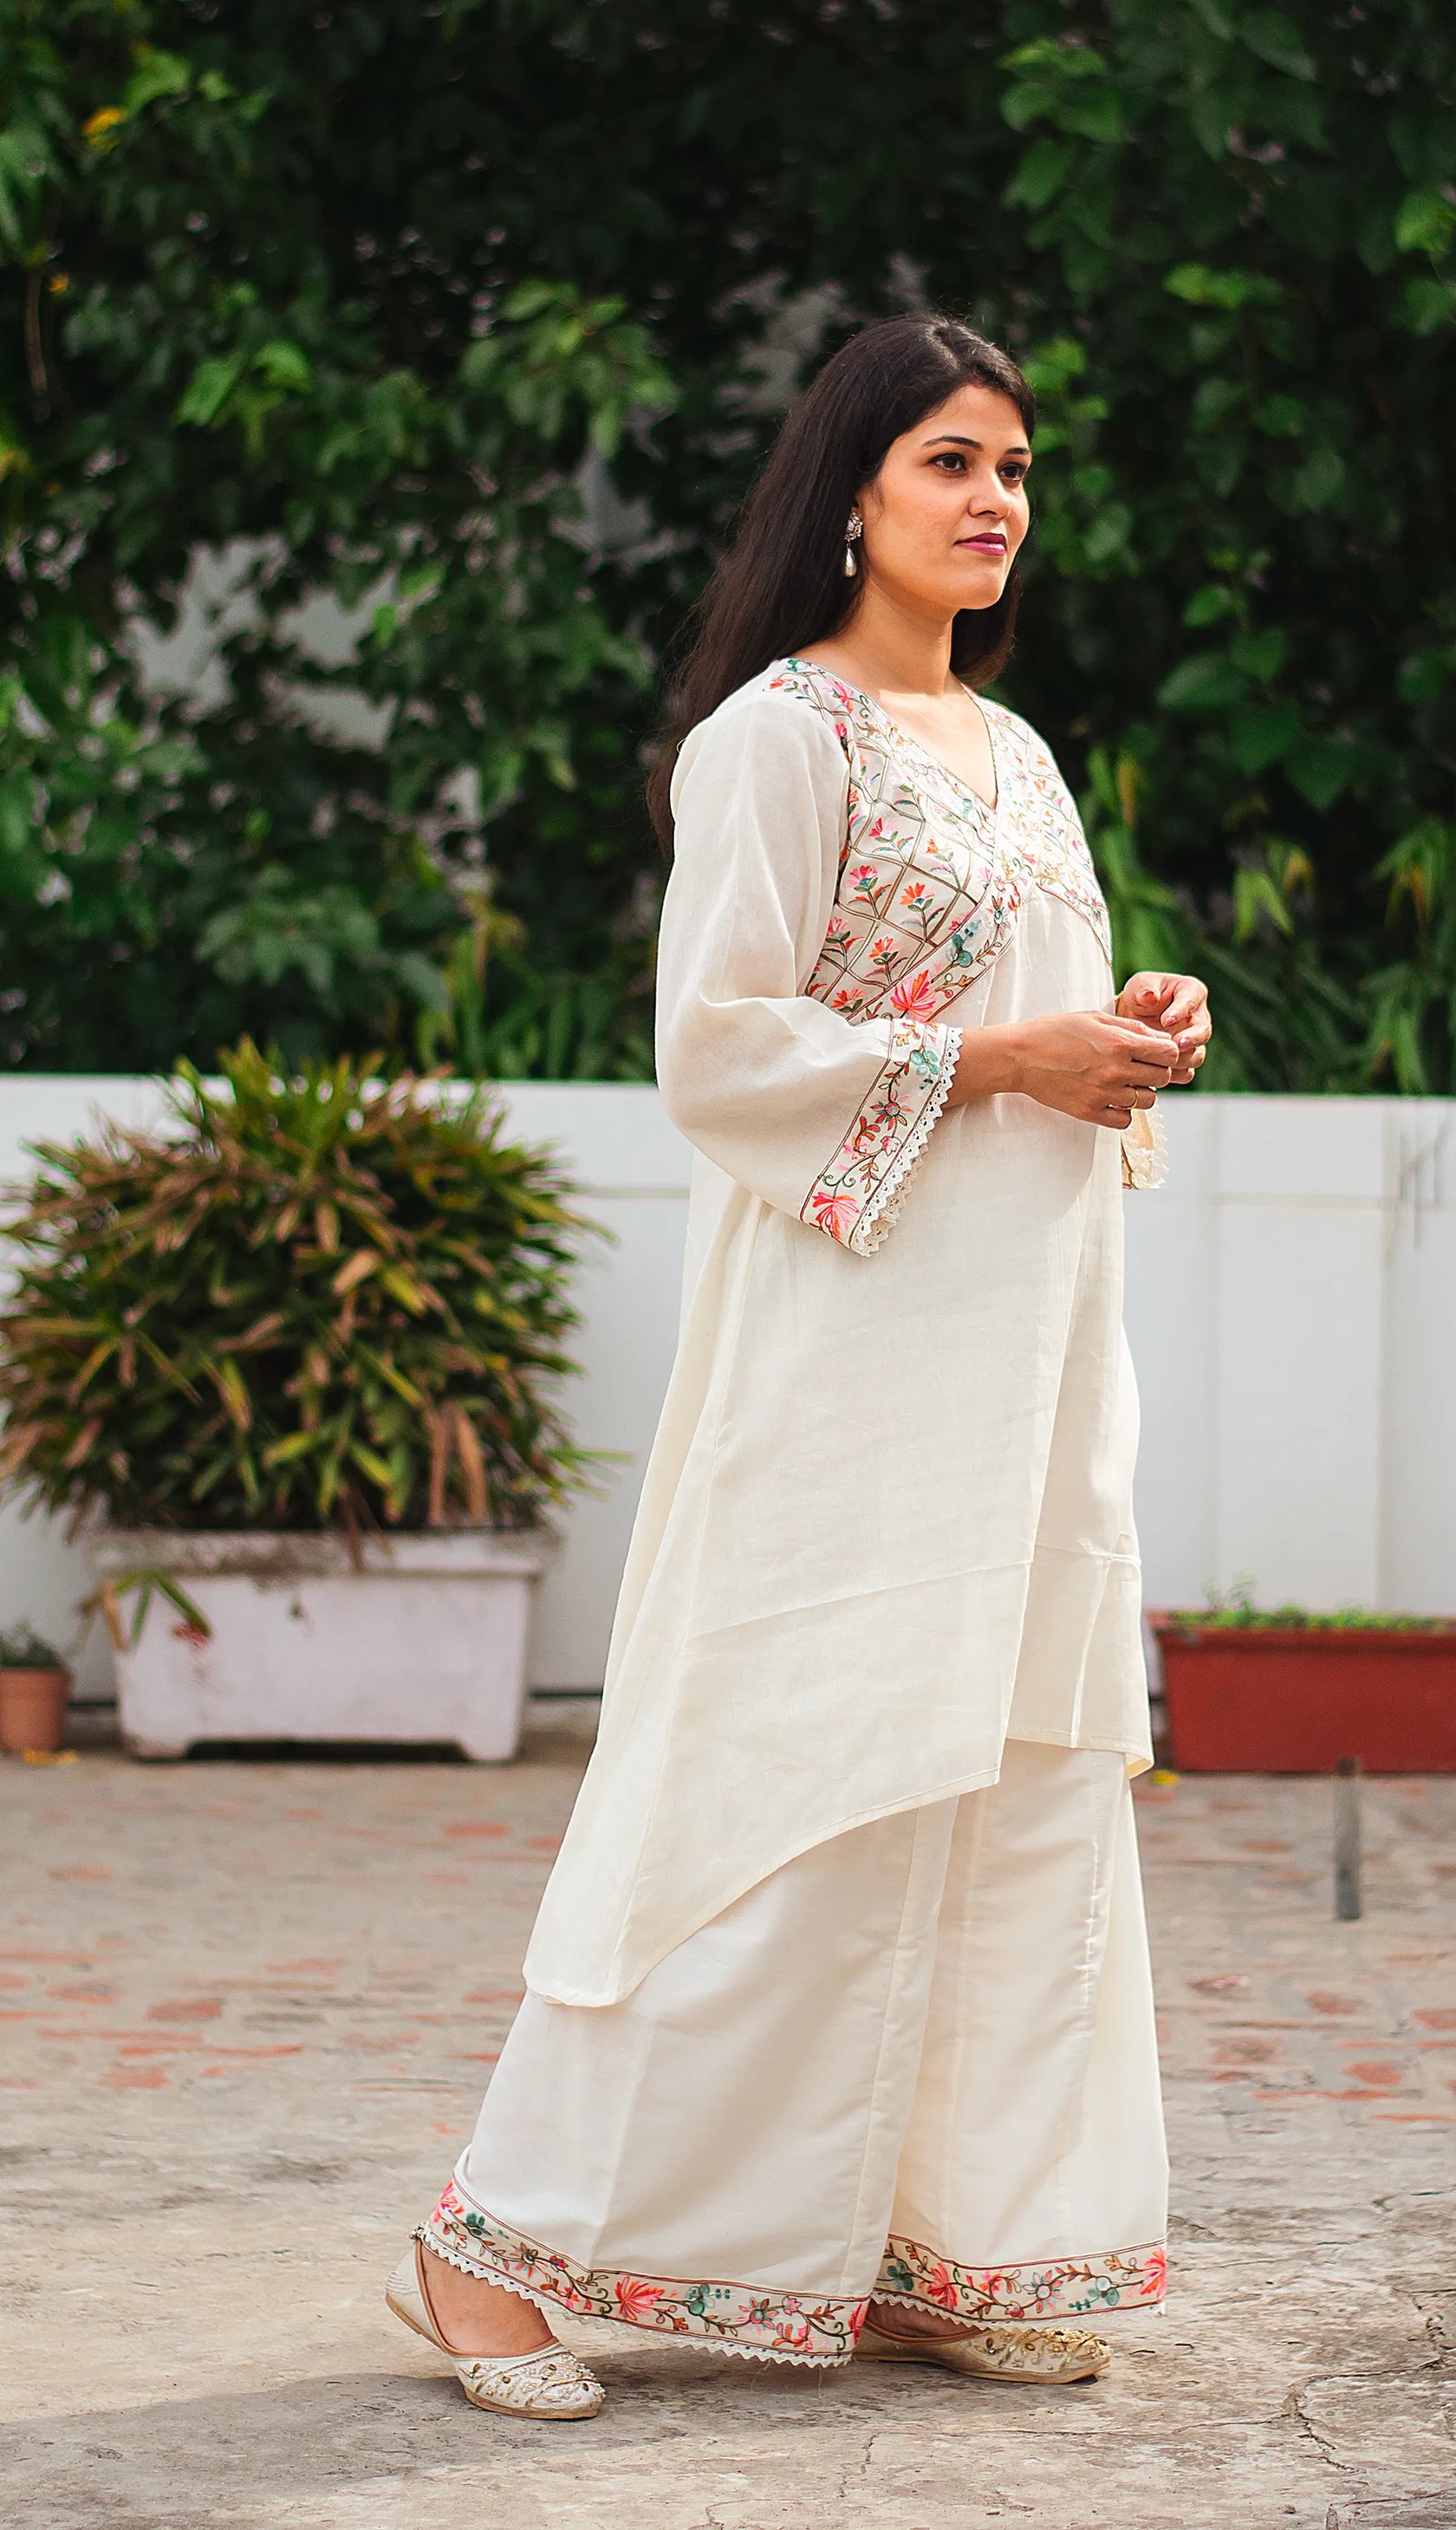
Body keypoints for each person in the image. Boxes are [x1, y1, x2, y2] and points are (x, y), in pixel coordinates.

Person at [386, 314, 1211, 2419]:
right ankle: (493, 2247)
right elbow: (717, 1048)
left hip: (1027, 1350)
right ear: (852, 487)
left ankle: (939, 2243)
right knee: (771, 1776)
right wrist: (986, 1055)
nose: (994, 502)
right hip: (846, 1351)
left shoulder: (1015, 758)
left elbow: (1041, 1040)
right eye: (951, 460)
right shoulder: (780, 733)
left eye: (1016, 468)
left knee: (1014, 1781)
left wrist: (1123, 1029)